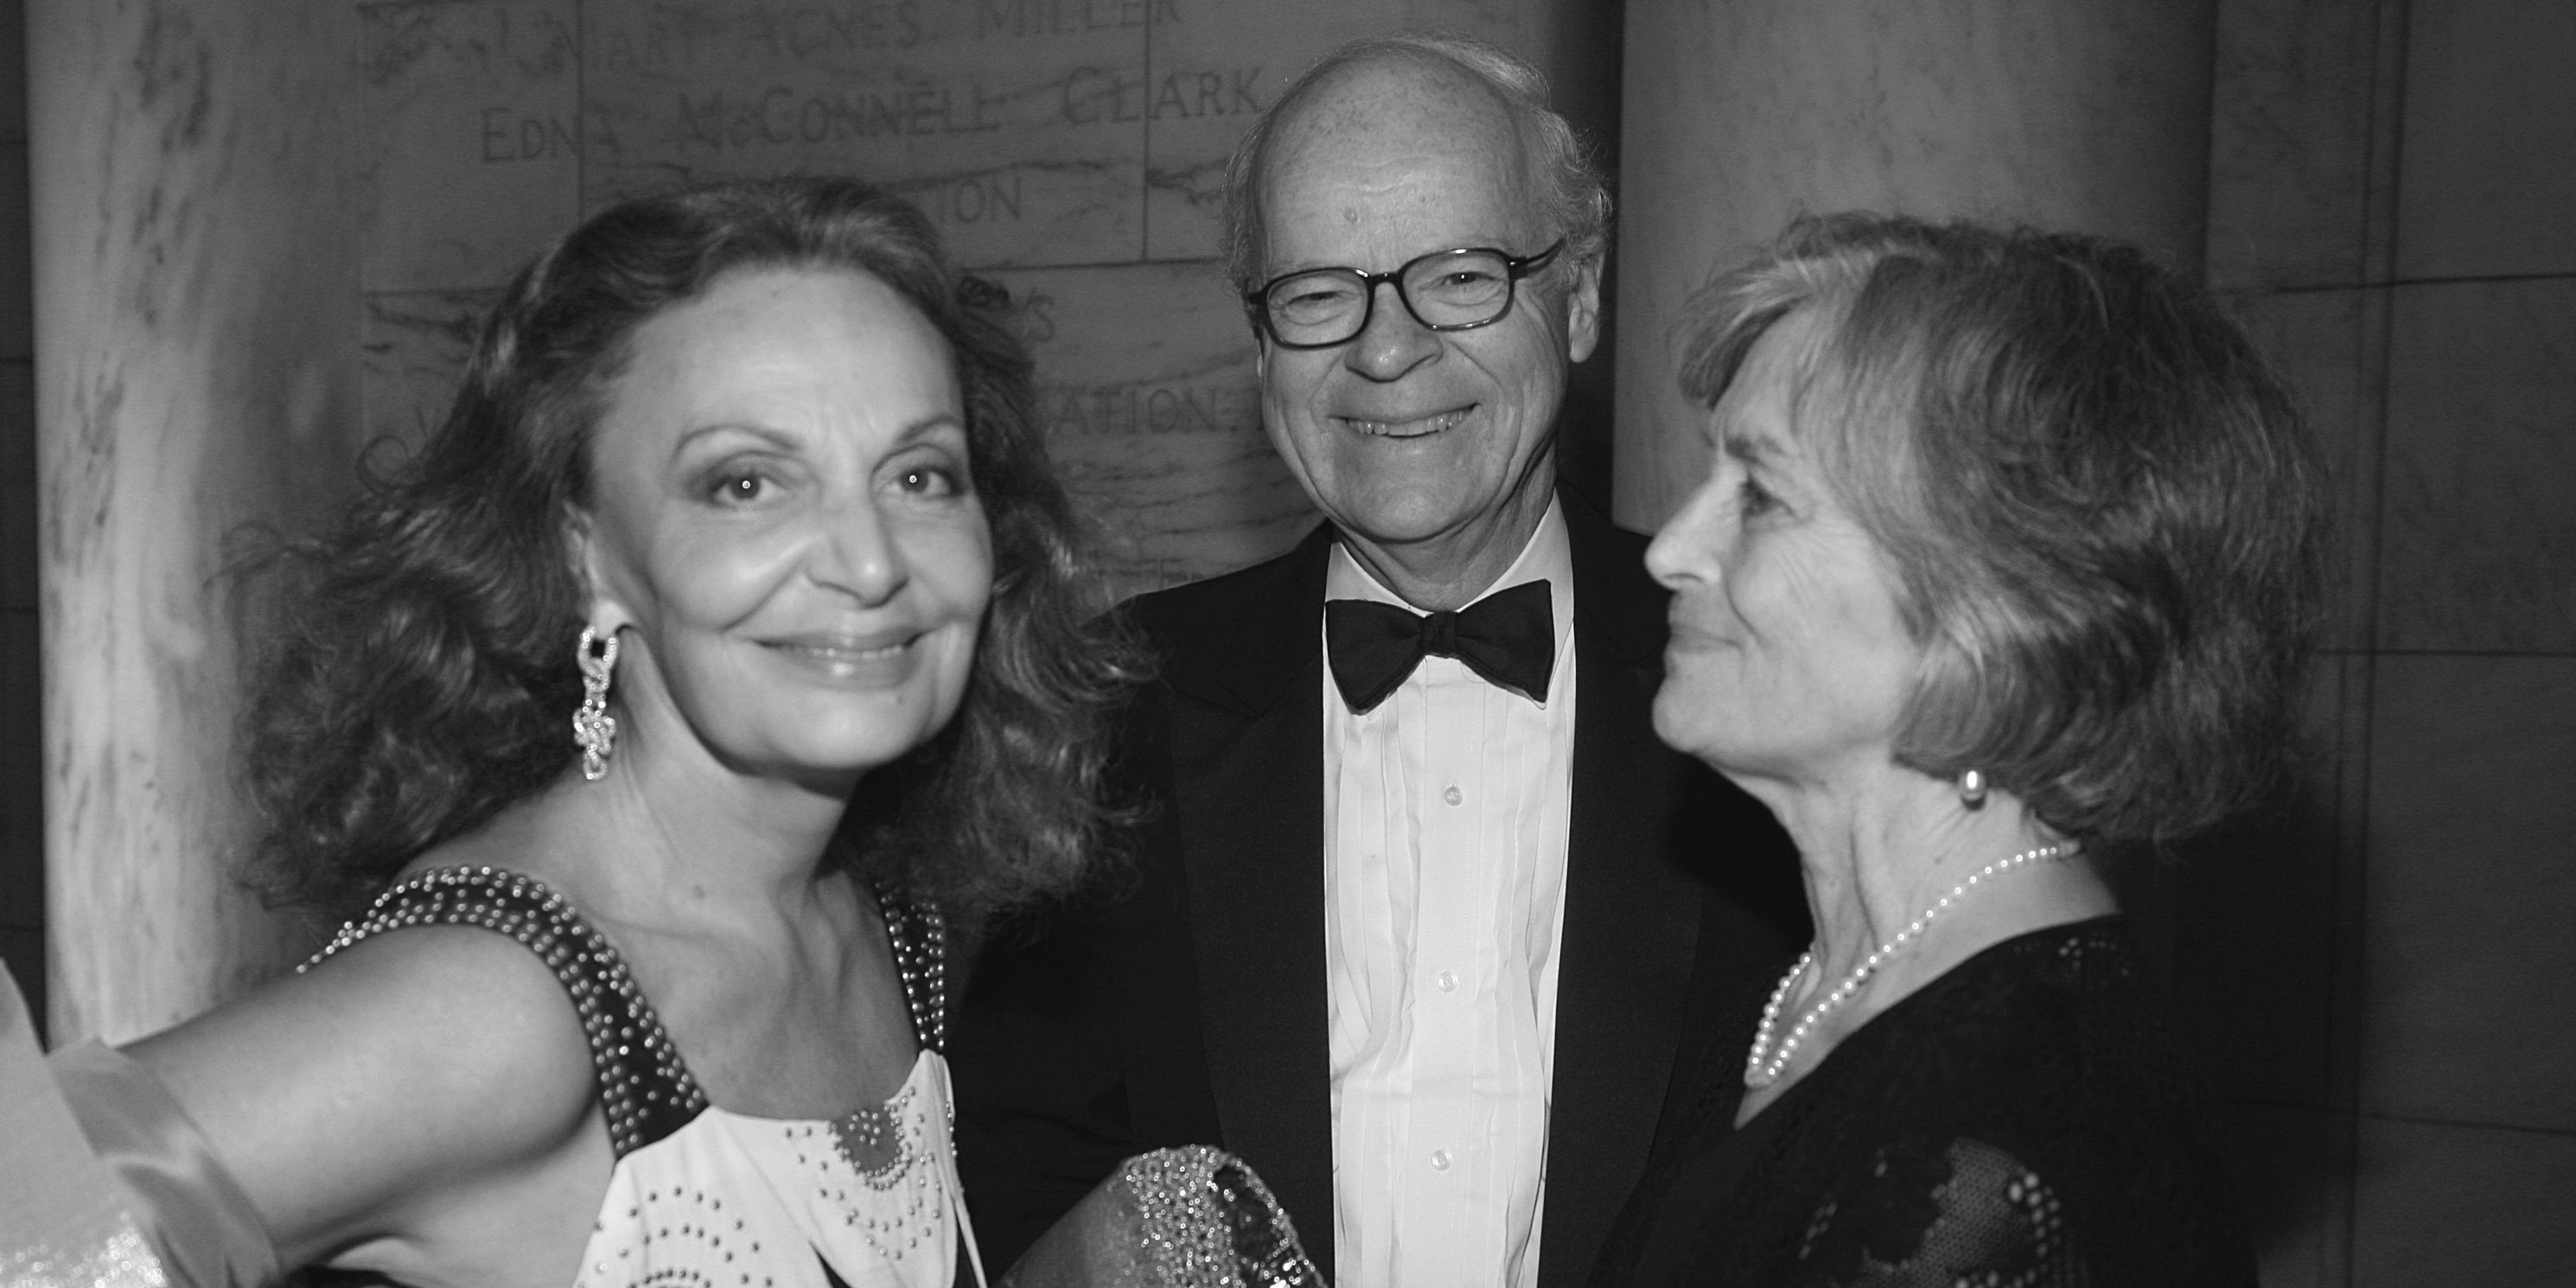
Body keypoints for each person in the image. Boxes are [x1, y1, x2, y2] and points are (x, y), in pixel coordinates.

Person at [33, 176, 1138, 1288]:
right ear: (583, 555)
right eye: (746, 482)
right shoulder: (506, 1005)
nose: (868, 560)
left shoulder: (875, 916)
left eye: (918, 474)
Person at [953, 33, 1804, 1288]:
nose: (1385, 349)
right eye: (1315, 293)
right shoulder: (1103, 710)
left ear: (1575, 299)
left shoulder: (1765, 677)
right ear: (1258, 349)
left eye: (1459, 276)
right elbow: (1014, 1188)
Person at [1587, 214, 2319, 1285]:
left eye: (1761, 496)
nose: (1668, 550)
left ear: (1994, 601)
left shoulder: (1991, 1154)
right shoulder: (1829, 989)